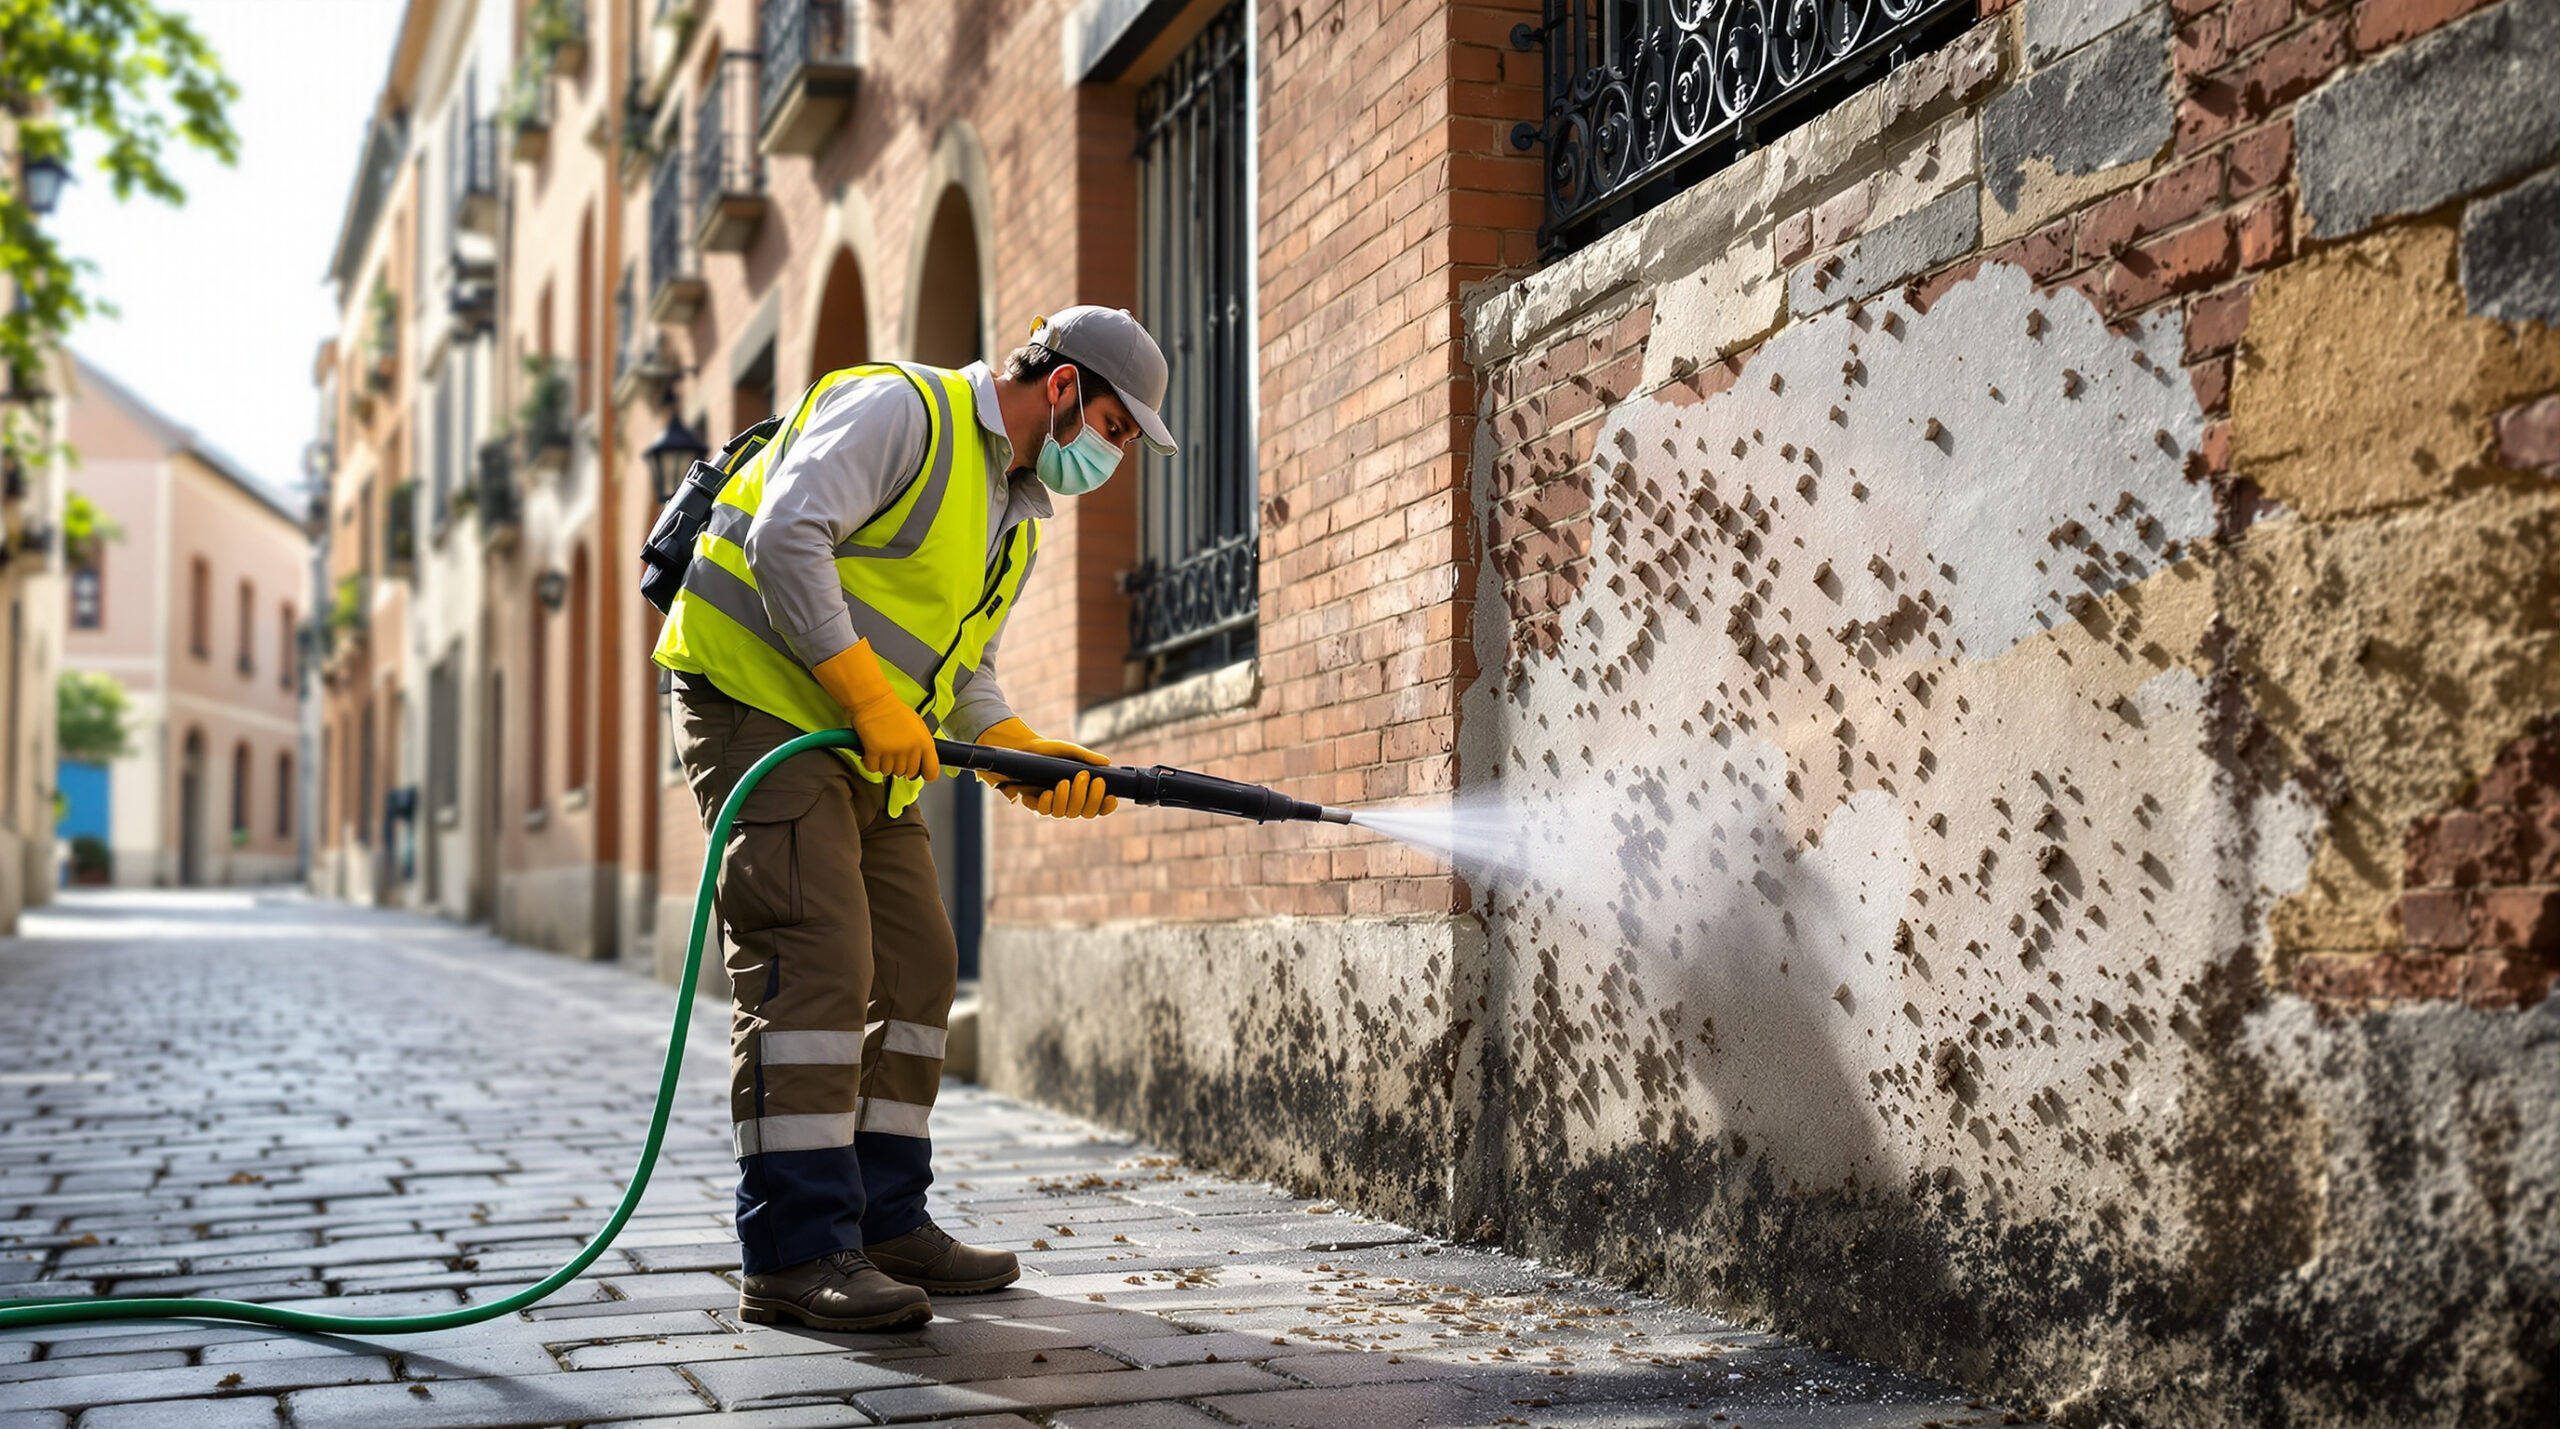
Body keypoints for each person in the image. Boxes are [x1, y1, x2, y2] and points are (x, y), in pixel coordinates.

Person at [651, 307, 1176, 1331]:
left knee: (920, 962)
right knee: (816, 952)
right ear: (1062, 387)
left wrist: (1021, 751)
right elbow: (785, 532)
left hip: (861, 745)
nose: (1114, 454)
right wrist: (869, 698)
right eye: (1115, 427)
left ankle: (884, 1219)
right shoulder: (903, 408)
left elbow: (960, 673)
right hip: (757, 706)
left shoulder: (1012, 516)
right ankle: (796, 1250)